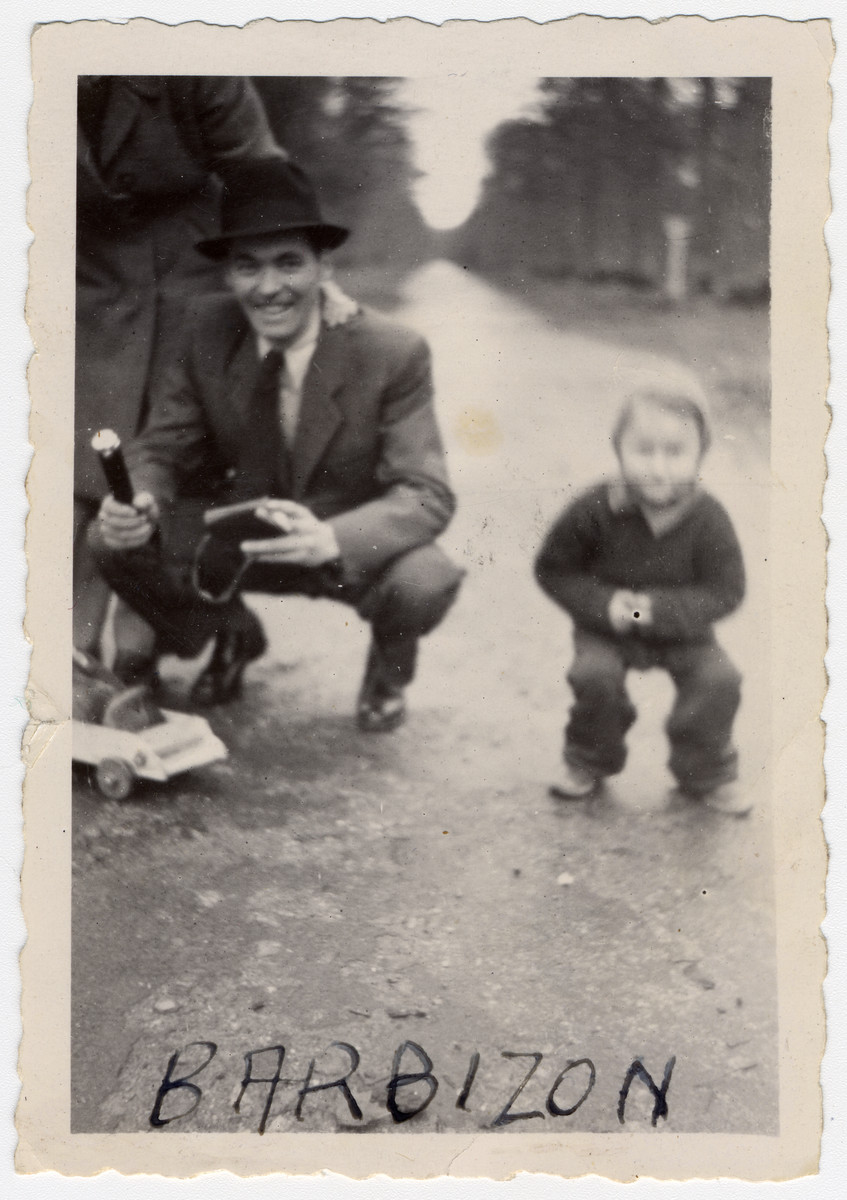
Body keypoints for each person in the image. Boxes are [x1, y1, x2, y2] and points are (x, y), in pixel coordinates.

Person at [89, 158, 463, 733]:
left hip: (336, 544)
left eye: (289, 263)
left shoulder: (393, 351)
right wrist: (139, 498)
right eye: (247, 267)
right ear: (229, 275)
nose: (268, 288)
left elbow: (427, 493)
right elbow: (164, 446)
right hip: (233, 539)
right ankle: (228, 631)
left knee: (424, 580)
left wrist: (331, 539)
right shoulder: (207, 329)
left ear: (323, 266)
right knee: (111, 540)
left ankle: (388, 676)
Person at [74, 76, 288, 658]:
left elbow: (262, 177)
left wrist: (287, 281)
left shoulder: (191, 59)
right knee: (79, 471)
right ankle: (76, 660)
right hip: (81, 283)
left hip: (197, 277)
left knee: (180, 467)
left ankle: (203, 627)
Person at [534, 378, 749, 815]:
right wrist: (603, 604)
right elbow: (554, 568)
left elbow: (727, 590)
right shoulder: (596, 508)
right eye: (643, 450)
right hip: (607, 626)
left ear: (699, 455)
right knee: (594, 677)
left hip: (682, 630)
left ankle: (706, 774)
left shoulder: (708, 518)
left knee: (718, 680)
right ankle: (588, 761)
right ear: (619, 451)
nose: (658, 466)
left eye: (675, 453)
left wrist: (657, 610)